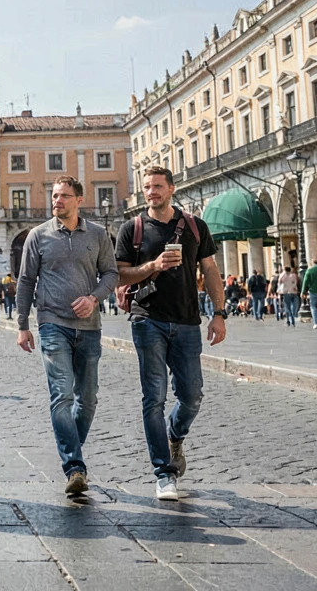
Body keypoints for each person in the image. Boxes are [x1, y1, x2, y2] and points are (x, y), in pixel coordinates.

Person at [115, 166, 225, 502]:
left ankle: (175, 435)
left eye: (158, 187)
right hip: (147, 320)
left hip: (188, 321)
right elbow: (120, 275)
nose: (152, 192)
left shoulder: (195, 226)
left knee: (192, 395)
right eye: (147, 187)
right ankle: (164, 474)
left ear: (172, 189)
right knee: (154, 398)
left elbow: (210, 269)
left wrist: (218, 314)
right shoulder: (131, 229)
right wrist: (152, 266)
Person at [15, 176, 119, 495]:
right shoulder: (38, 235)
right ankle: (74, 466)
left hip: (89, 327)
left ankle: (71, 447)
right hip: (52, 322)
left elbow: (111, 273)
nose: (56, 200)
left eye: (63, 196)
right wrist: (22, 325)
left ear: (79, 200)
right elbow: (25, 281)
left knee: (87, 399)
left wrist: (93, 298)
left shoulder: (98, 235)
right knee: (62, 393)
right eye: (54, 195)